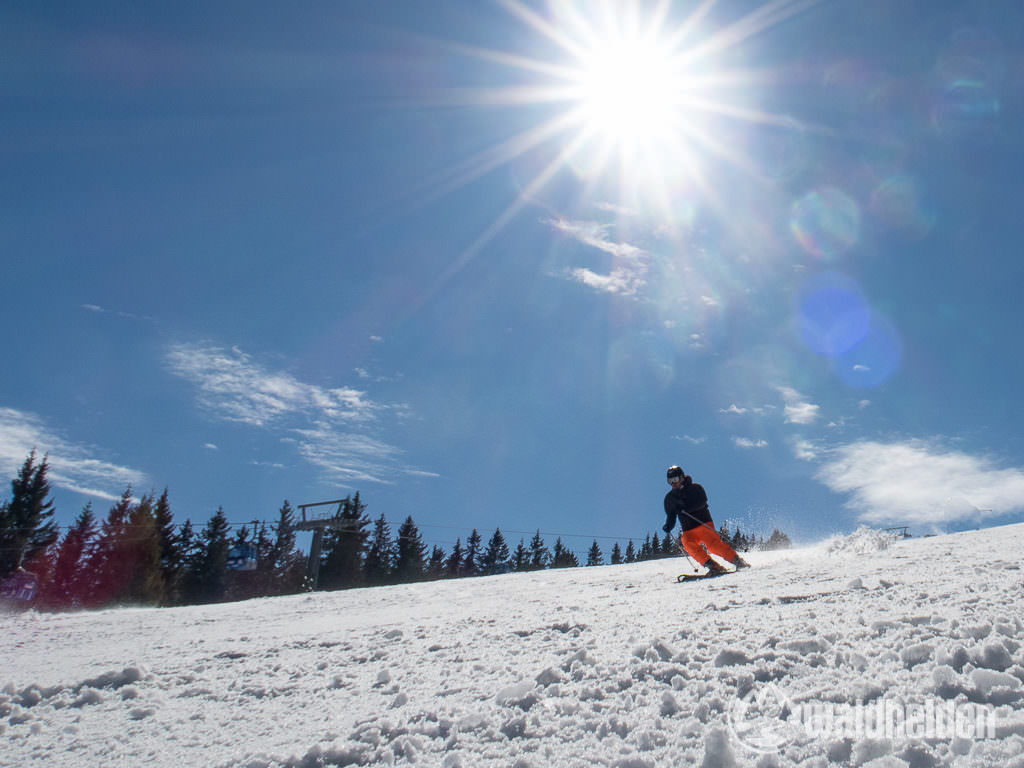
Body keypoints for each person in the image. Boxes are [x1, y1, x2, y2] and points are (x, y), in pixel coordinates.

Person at [663, 465, 749, 575]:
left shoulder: (695, 488)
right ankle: (712, 566)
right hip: (688, 529)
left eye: (675, 479)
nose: (673, 483)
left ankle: (738, 561)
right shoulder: (670, 498)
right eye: (670, 481)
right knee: (687, 542)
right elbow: (671, 515)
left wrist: (686, 508)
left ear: (682, 478)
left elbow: (702, 502)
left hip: (703, 523)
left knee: (713, 546)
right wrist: (668, 525)